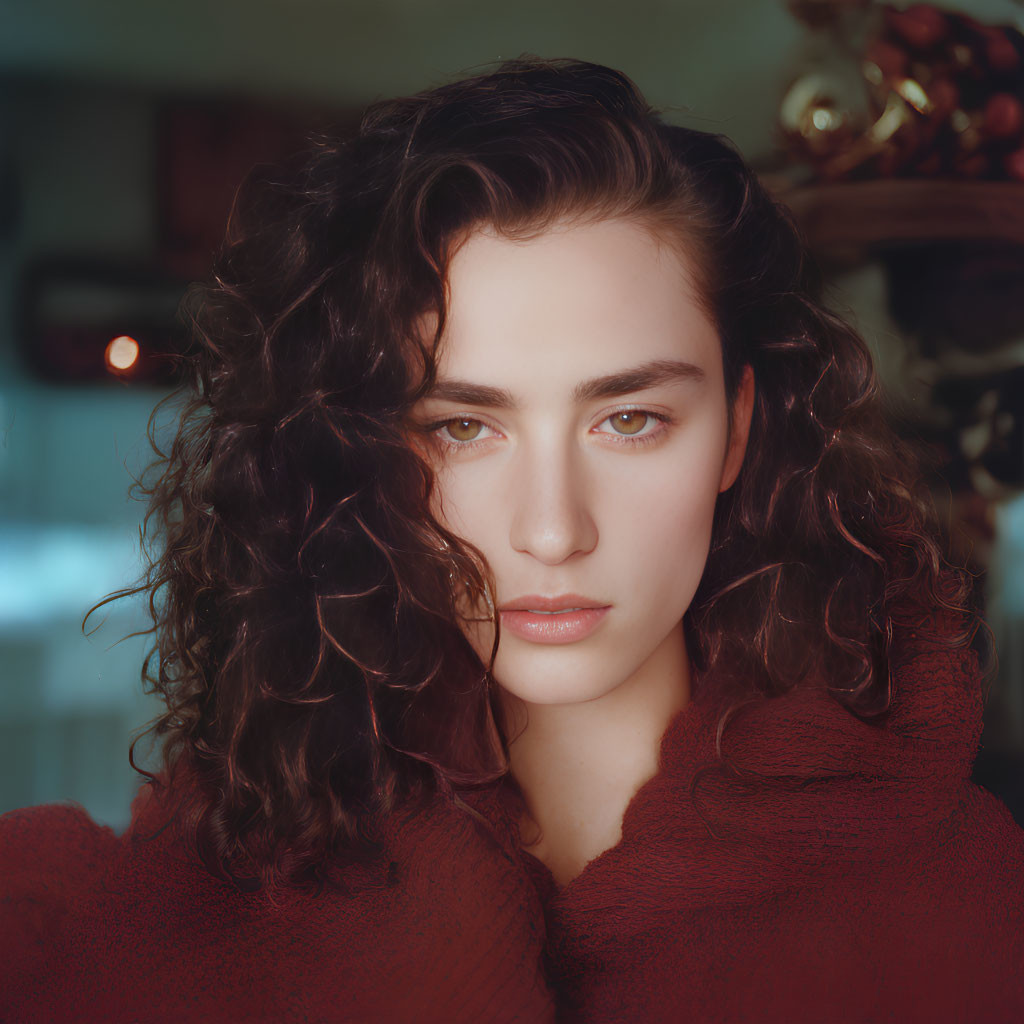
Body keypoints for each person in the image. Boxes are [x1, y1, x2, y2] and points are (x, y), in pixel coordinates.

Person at [3, 55, 1023, 1023]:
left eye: (629, 420)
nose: (551, 528)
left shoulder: (958, 913)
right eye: (463, 427)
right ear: (369, 456)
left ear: (738, 431)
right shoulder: (186, 889)